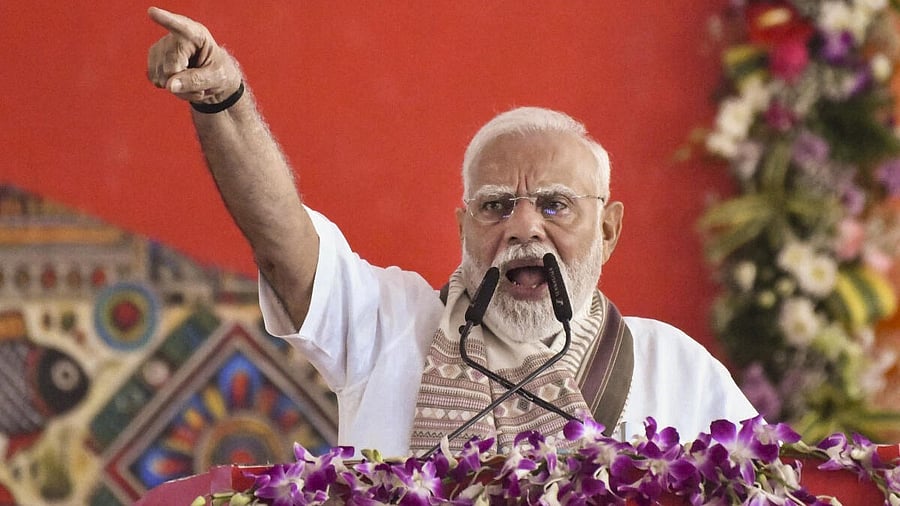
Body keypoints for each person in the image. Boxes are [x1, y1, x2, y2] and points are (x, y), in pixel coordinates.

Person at [146, 7, 758, 458]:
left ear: (608, 228)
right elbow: (280, 241)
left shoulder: (676, 369)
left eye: (554, 205)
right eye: (495, 207)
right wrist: (225, 102)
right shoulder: (386, 330)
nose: (524, 227)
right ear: (464, 227)